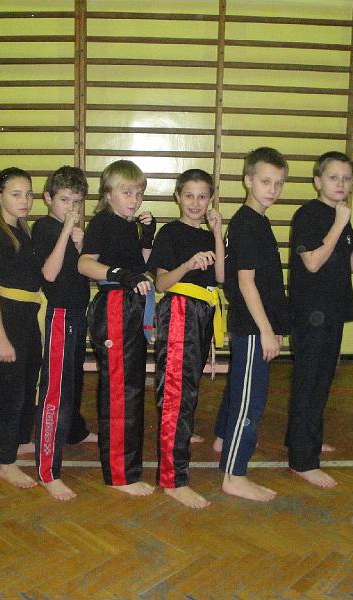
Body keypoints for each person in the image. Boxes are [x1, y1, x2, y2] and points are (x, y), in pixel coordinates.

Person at [285, 151, 353, 488]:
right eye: (334, 177)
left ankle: (303, 440)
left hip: (332, 311)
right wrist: (339, 224)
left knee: (321, 382)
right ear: (317, 181)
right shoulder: (308, 215)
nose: (341, 184)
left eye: (346, 178)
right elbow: (312, 263)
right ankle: (303, 460)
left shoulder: (341, 216)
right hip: (311, 313)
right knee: (309, 383)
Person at [212, 147, 291, 502]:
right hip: (252, 328)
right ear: (248, 180)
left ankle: (223, 441)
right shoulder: (247, 224)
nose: (272, 189)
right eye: (265, 181)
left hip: (256, 326)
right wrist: (266, 331)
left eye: (278, 183)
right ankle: (234, 475)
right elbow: (246, 283)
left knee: (240, 392)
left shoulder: (256, 221)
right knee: (250, 402)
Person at [78, 159, 156, 497]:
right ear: (108, 193)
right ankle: (121, 476)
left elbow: (141, 266)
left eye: (138, 193)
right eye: (127, 193)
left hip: (131, 307)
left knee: (131, 388)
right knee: (120, 391)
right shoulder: (103, 222)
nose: (134, 200)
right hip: (113, 307)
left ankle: (127, 468)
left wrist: (147, 238)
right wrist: (117, 274)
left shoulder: (127, 225)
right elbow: (84, 263)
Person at [150, 168, 224, 509]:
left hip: (203, 313)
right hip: (180, 311)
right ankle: (173, 480)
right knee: (175, 395)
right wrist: (189, 264)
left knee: (187, 393)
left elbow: (219, 277)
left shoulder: (209, 235)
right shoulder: (169, 233)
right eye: (189, 195)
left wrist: (218, 233)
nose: (195, 203)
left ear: (211, 199)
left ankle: (176, 461)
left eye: (202, 196)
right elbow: (161, 283)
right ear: (178, 196)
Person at [31, 166, 97, 501]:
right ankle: (47, 470)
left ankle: (74, 432)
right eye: (64, 200)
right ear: (48, 198)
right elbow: (50, 274)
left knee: (73, 382)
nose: (71, 207)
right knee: (55, 392)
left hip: (77, 315)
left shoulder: (71, 231)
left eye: (77, 201)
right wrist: (67, 231)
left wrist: (81, 244)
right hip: (59, 316)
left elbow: (85, 275)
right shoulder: (45, 227)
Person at [0, 167, 42, 489]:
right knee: (10, 393)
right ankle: (5, 462)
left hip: (27, 318)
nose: (24, 200)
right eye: (16, 194)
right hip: (6, 321)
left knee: (26, 386)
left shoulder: (22, 231)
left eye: (28, 194)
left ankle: (17, 441)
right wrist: (1, 339)